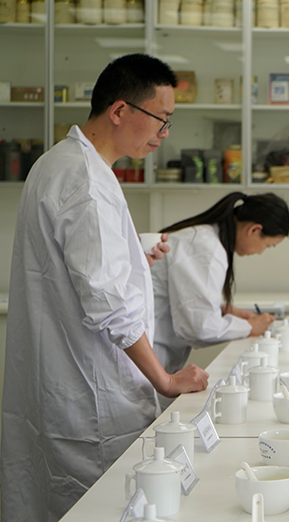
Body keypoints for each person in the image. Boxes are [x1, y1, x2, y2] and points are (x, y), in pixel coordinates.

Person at [1, 53, 210, 522]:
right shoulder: (87, 182)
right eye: (161, 119)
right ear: (119, 110)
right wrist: (165, 380)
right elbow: (110, 305)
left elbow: (70, 266)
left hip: (62, 389)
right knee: (103, 507)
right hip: (91, 400)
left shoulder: (60, 162)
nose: (165, 133)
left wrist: (133, 255)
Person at [152, 192, 289, 375]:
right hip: (143, 357)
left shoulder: (205, 239)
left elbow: (185, 299)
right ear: (254, 230)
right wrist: (250, 327)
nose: (261, 252)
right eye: (268, 245)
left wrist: (224, 310)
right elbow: (199, 328)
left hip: (153, 355)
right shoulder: (206, 248)